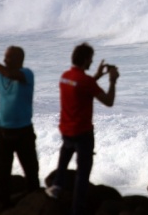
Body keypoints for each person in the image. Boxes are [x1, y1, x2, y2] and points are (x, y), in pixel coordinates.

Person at [46, 42, 119, 215]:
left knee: (63, 162)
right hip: (83, 133)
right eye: (91, 59)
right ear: (86, 59)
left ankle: (56, 187)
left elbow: (81, 85)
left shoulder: (65, 77)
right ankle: (77, 210)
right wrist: (112, 81)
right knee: (82, 174)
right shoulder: (86, 81)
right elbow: (108, 101)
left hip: (66, 130)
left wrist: (97, 76)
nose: (92, 62)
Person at [0, 46, 40, 209]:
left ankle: (35, 204)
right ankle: (4, 206)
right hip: (3, 131)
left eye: (8, 58)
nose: (4, 60)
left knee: (31, 171)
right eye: (5, 57)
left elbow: (10, 74)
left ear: (19, 60)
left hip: (23, 132)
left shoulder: (26, 74)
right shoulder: (0, 76)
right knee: (1, 172)